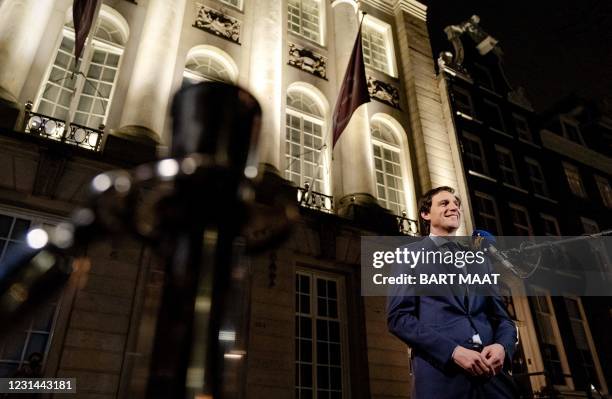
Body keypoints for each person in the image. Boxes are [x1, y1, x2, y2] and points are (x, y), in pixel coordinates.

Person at [387, 186, 518, 398]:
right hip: (442, 380)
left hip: (494, 382)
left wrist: (503, 347)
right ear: (425, 214)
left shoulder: (479, 260)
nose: (453, 207)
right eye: (444, 203)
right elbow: (398, 318)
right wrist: (453, 352)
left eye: (456, 204)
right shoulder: (407, 255)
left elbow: (503, 320)